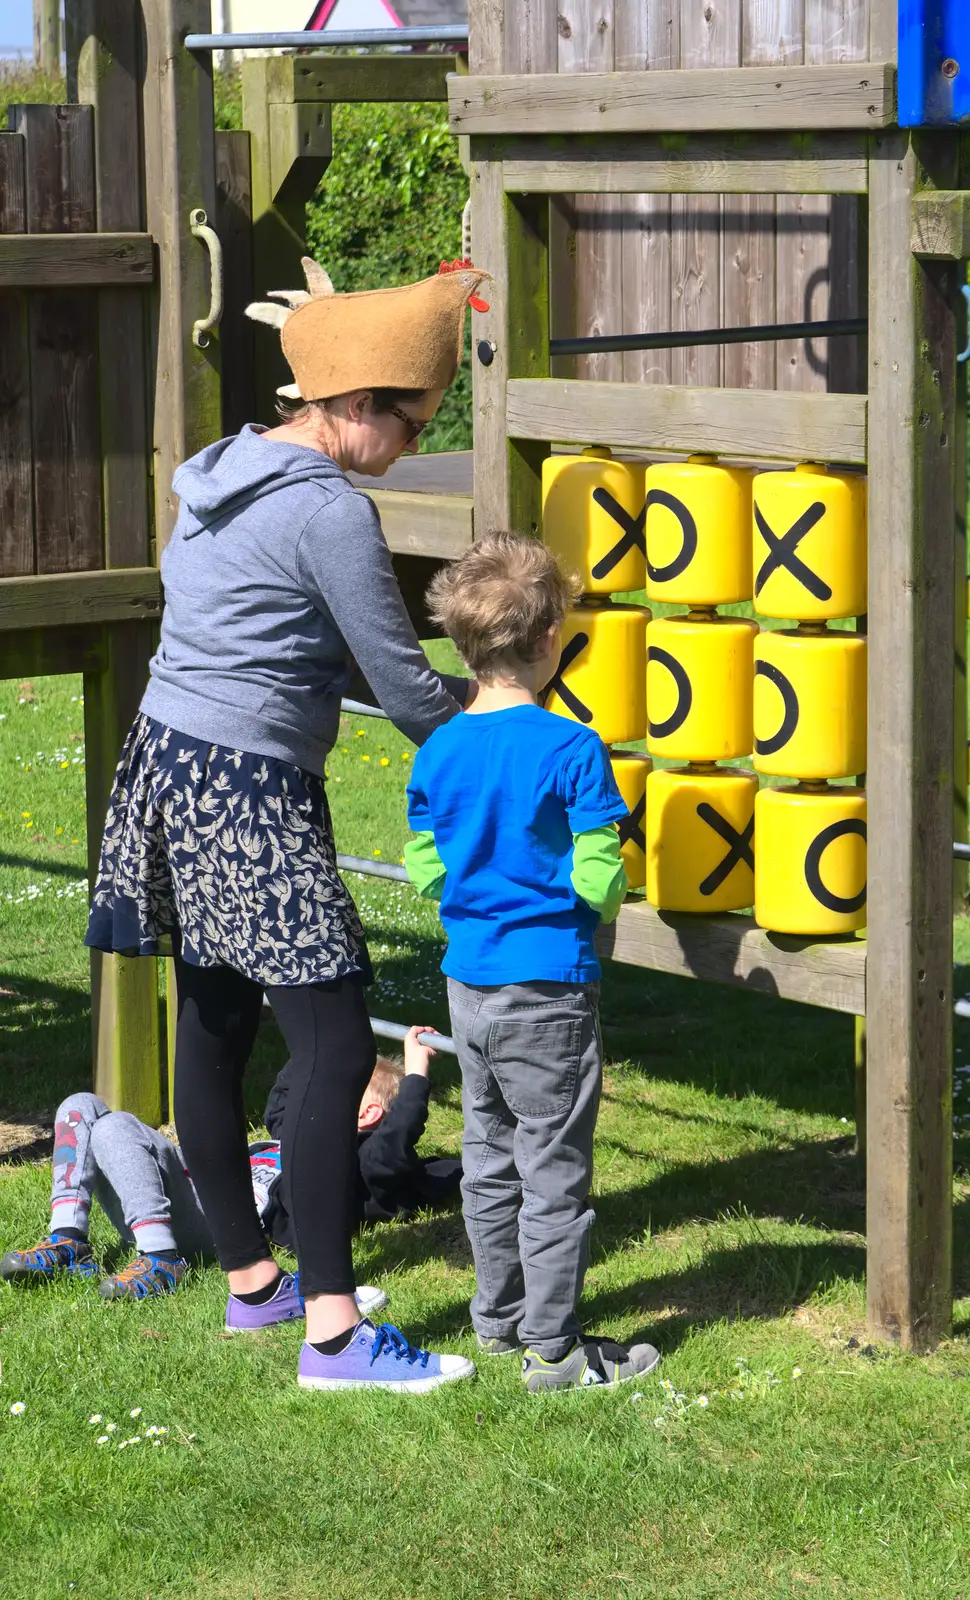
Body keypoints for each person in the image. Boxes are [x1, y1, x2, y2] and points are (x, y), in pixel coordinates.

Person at [84, 257, 488, 1393]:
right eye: (412, 425)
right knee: (333, 1046)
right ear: (357, 407)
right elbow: (407, 687)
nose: (414, 444)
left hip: (168, 762)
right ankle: (335, 1334)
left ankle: (255, 1287)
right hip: (247, 787)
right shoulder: (330, 512)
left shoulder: (224, 467)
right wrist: (504, 726)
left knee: (212, 1024)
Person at [403, 532, 662, 1393]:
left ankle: (495, 1320)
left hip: (467, 983)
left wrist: (477, 885)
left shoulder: (438, 749)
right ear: (552, 639)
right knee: (552, 1170)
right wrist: (597, 900)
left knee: (487, 1151)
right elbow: (597, 872)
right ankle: (553, 1352)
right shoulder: (570, 749)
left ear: (463, 643)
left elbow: (426, 863)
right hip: (548, 984)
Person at [0, 1092, 386, 1322]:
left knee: (114, 1126)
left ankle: (161, 1257)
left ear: (368, 1115)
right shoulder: (280, 1139)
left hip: (214, 1221)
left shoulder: (351, 1159)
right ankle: (68, 1240)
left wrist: (415, 1076)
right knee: (79, 1104)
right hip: (177, 1185)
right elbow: (296, 1076)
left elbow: (394, 1156)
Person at [261, 1024, 462, 1247]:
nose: (314, 1093)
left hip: (265, 1222)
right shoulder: (298, 1131)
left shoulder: (362, 1162)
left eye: (328, 1090)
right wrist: (321, 1042)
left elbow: (399, 1130)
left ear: (366, 1114)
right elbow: (283, 1098)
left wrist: (416, 1073)